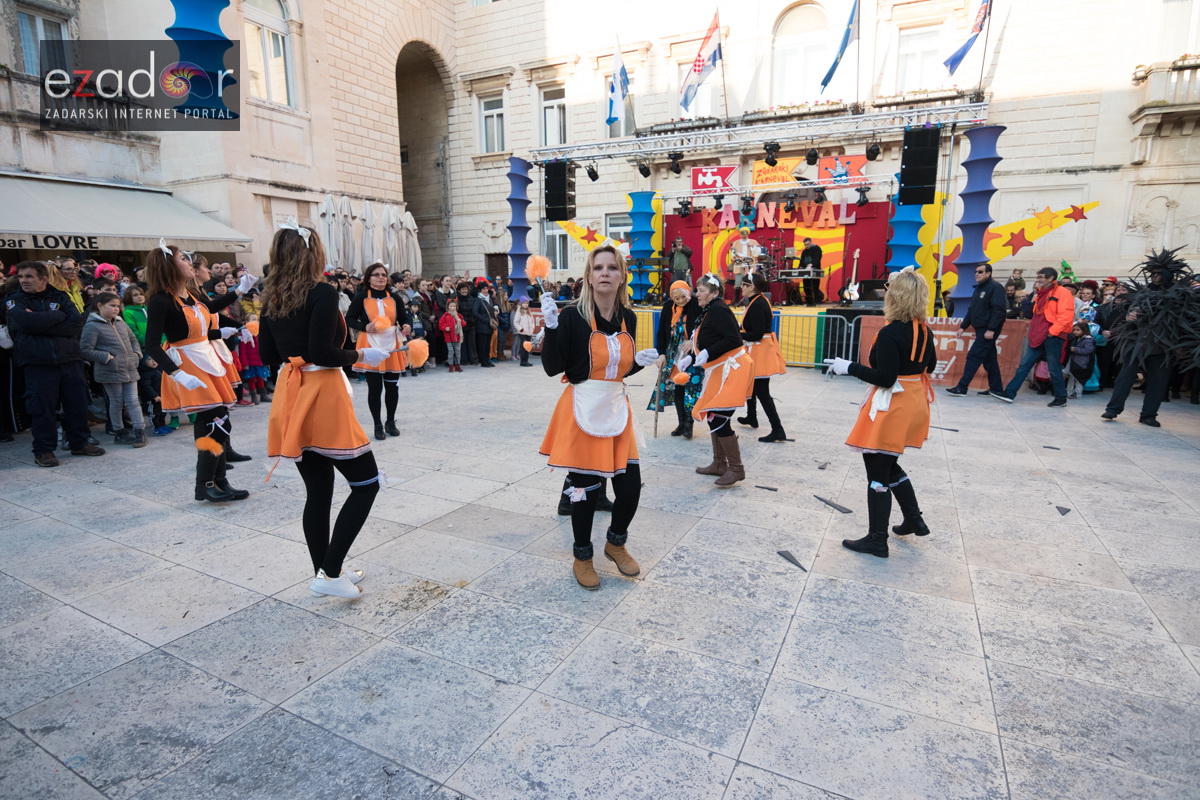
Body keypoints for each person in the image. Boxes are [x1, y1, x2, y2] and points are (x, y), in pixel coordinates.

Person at [259, 218, 386, 599]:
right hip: (321, 392)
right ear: (313, 252)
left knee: (318, 492)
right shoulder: (322, 292)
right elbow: (323, 353)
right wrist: (363, 354)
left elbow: (268, 354)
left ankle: (326, 570)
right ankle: (329, 573)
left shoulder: (272, 295)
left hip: (291, 392)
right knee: (366, 483)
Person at [539, 245, 656, 590]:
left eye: (611, 268)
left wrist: (639, 362)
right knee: (586, 490)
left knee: (630, 488)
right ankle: (582, 554)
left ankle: (615, 543)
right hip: (581, 410)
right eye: (598, 267)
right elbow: (552, 367)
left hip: (616, 410)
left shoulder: (628, 318)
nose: (604, 272)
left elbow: (616, 367)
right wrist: (551, 328)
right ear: (589, 277)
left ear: (621, 277)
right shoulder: (573, 316)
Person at [824, 267, 936, 558]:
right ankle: (913, 518)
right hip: (913, 403)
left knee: (877, 472)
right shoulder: (924, 330)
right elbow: (931, 366)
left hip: (892, 406)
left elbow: (885, 377)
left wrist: (848, 367)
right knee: (888, 464)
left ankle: (877, 539)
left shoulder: (890, 333)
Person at [143, 241, 250, 502]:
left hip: (206, 358)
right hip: (187, 363)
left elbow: (212, 309)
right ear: (169, 264)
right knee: (210, 423)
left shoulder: (191, 293)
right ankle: (205, 484)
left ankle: (220, 480)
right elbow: (151, 344)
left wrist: (239, 291)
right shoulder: (160, 300)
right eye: (183, 259)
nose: (189, 263)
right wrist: (177, 373)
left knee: (221, 420)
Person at [6, 261, 106, 466]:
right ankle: (44, 450)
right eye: (22, 276)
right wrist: (57, 317)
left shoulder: (61, 296)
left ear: (43, 279)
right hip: (37, 363)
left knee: (76, 404)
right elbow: (25, 323)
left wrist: (40, 322)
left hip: (69, 359)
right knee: (42, 408)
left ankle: (79, 442)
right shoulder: (13, 300)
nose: (23, 280)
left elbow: (76, 324)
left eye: (29, 276)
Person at [687, 273, 755, 487]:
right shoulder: (709, 310)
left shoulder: (718, 309)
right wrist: (689, 358)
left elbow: (733, 339)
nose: (697, 294)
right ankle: (719, 463)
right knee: (713, 416)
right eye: (697, 289)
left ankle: (736, 468)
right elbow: (708, 339)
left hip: (731, 371)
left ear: (715, 292)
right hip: (719, 370)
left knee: (719, 417)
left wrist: (708, 351)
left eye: (702, 290)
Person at [346, 263, 410, 440]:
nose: (380, 277)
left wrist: (406, 326)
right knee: (375, 389)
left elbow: (404, 319)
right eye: (376, 274)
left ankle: (390, 422)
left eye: (383, 274)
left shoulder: (395, 298)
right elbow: (349, 319)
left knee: (392, 387)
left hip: (392, 344)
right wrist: (364, 326)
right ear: (369, 278)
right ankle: (377, 425)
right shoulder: (361, 298)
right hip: (371, 344)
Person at [993, 267, 1075, 406]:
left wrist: (1052, 332)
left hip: (1052, 336)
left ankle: (1061, 398)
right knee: (1024, 365)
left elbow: (1066, 316)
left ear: (1050, 278)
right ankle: (1009, 393)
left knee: (1054, 368)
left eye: (1041, 277)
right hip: (1038, 335)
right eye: (1038, 277)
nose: (1038, 280)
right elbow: (1032, 314)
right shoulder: (1039, 293)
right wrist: (1028, 300)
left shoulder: (1063, 292)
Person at [80, 292, 147, 447]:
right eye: (112, 306)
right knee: (116, 402)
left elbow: (133, 339)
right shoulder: (92, 326)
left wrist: (137, 354)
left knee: (133, 401)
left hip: (129, 368)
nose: (116, 309)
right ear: (100, 306)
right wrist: (106, 357)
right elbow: (85, 349)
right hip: (110, 370)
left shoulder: (120, 322)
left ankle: (139, 431)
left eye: (118, 306)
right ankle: (119, 431)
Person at [736, 273, 788, 442]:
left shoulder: (757, 304)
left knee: (762, 392)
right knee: (751, 385)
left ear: (751, 287)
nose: (741, 287)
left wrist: (738, 334)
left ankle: (778, 429)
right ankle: (752, 417)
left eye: (744, 284)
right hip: (758, 351)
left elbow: (757, 334)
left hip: (760, 352)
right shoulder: (758, 300)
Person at [649, 280, 702, 439]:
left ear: (689, 292)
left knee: (690, 389)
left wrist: (694, 342)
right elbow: (661, 332)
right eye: (676, 298)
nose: (680, 301)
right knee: (678, 386)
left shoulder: (696, 305)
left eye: (683, 297)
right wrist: (662, 353)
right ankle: (681, 423)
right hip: (674, 353)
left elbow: (702, 328)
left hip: (690, 352)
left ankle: (689, 425)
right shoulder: (667, 307)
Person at [946, 263, 1007, 398]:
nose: (976, 274)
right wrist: (963, 326)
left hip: (988, 329)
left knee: (974, 356)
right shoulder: (978, 289)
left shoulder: (995, 287)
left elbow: (999, 310)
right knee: (989, 359)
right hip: (980, 328)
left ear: (988, 273)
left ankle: (962, 388)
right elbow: (972, 310)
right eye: (976, 272)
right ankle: (996, 388)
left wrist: (991, 329)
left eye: (980, 272)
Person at [122, 285, 170, 435]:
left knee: (160, 376)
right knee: (148, 377)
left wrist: (162, 341)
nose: (139, 297)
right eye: (135, 295)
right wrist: (151, 341)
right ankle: (153, 416)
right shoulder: (128, 312)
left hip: (159, 347)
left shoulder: (148, 309)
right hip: (145, 348)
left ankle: (163, 418)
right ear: (129, 298)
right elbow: (133, 331)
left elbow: (160, 327)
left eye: (141, 294)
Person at [729, 227, 760, 295]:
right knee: (738, 284)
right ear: (740, 234)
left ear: (748, 233)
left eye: (745, 233)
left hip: (750, 266)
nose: (744, 234)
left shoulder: (753, 242)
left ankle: (750, 299)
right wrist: (736, 256)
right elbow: (733, 254)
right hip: (740, 266)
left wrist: (752, 246)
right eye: (742, 233)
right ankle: (736, 301)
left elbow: (757, 253)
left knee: (750, 283)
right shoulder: (736, 243)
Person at [439, 299, 466, 372]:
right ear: (448, 307)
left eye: (454, 306)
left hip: (457, 337)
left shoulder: (459, 315)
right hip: (449, 337)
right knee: (451, 351)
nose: (453, 308)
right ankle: (451, 365)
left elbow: (464, 324)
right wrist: (445, 328)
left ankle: (457, 365)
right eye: (451, 306)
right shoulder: (445, 316)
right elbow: (441, 325)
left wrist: (461, 321)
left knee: (458, 351)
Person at [511, 297, 536, 367]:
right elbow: (515, 322)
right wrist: (520, 328)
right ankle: (523, 361)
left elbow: (532, 320)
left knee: (528, 347)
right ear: (521, 303)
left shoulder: (529, 311)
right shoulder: (519, 311)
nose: (525, 305)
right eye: (524, 303)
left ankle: (526, 361)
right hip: (522, 332)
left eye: (527, 303)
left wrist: (533, 327)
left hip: (529, 332)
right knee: (524, 347)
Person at [800, 237, 823, 305]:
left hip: (815, 270)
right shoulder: (804, 251)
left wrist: (811, 264)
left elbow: (817, 259)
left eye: (808, 244)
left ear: (811, 242)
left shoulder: (817, 249)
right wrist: (801, 266)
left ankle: (816, 301)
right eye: (805, 245)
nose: (807, 246)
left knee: (815, 287)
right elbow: (802, 260)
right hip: (806, 271)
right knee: (806, 286)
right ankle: (809, 301)